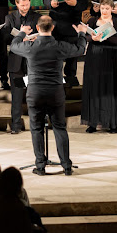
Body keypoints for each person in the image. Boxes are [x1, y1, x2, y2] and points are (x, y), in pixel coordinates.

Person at [10, 16, 87, 176]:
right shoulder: (59, 46)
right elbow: (80, 49)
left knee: (36, 128)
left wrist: (22, 33)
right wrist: (81, 34)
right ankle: (66, 166)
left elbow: (14, 46)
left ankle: (40, 166)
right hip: (55, 91)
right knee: (59, 127)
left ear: (38, 28)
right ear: (52, 28)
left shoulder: (30, 46)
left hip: (35, 92)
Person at [81, 0, 117, 133]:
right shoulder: (93, 20)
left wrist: (109, 37)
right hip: (95, 57)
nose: (105, 11)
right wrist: (92, 38)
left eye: (107, 8)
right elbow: (85, 36)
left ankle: (113, 124)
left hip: (111, 58)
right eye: (102, 8)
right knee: (95, 87)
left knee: (110, 89)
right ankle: (93, 123)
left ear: (112, 9)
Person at [43, 0, 89, 87]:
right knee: (54, 56)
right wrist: (50, 3)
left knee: (71, 57)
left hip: (71, 26)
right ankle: (55, 80)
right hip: (55, 26)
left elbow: (85, 5)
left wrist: (75, 4)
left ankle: (70, 81)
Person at [3, 0, 41, 134]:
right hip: (16, 61)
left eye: (27, 5)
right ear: (17, 4)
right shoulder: (10, 17)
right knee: (17, 96)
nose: (25, 8)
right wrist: (21, 35)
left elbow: (43, 35)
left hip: (32, 61)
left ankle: (36, 124)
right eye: (22, 5)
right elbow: (6, 38)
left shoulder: (37, 17)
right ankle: (16, 125)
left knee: (35, 95)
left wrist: (35, 38)